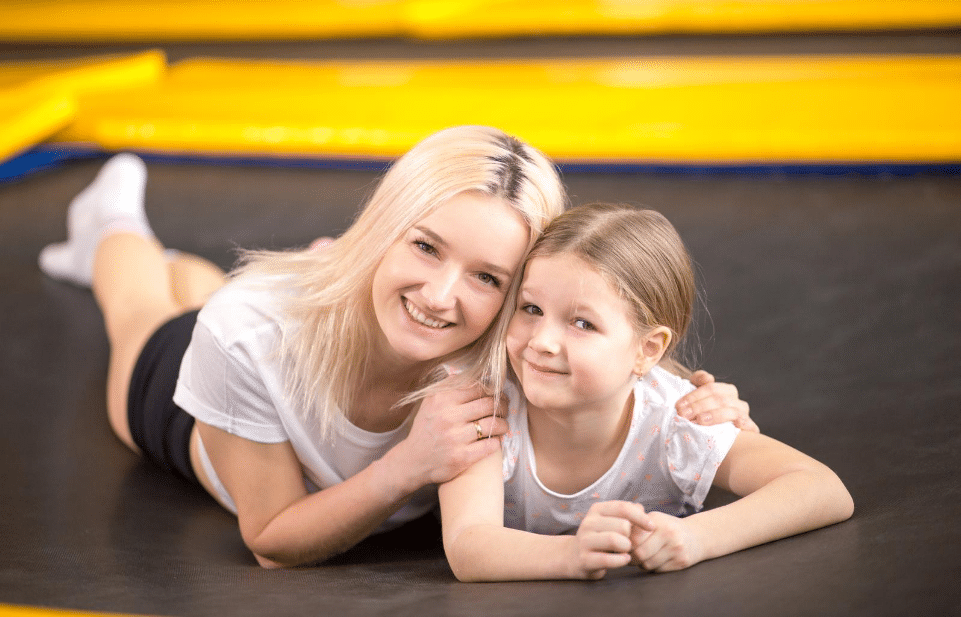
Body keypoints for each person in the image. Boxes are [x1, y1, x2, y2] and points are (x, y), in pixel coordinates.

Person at [38, 126, 754, 568]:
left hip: (317, 302)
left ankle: (277, 265)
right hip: (190, 419)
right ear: (387, 224)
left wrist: (698, 401)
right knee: (141, 309)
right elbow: (271, 540)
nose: (443, 297)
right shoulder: (244, 332)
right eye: (423, 245)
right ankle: (109, 220)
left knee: (204, 287)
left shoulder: (515, 338)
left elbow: (599, 344)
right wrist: (406, 465)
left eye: (486, 276)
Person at [439, 202, 854, 582]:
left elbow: (821, 488)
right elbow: (468, 544)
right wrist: (570, 553)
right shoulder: (485, 409)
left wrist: (697, 538)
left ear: (646, 349)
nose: (542, 341)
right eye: (531, 309)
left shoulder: (676, 421)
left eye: (582, 323)